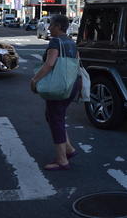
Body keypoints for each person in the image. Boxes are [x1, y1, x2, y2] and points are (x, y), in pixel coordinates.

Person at [30, 14, 81, 171]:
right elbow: (77, 61)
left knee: (55, 119)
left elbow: (49, 64)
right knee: (53, 116)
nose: (49, 28)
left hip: (60, 86)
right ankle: (68, 149)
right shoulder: (71, 42)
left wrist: (34, 80)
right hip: (73, 84)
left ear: (59, 26)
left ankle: (62, 160)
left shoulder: (55, 41)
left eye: (51, 25)